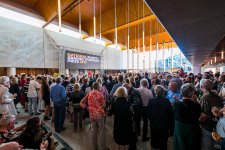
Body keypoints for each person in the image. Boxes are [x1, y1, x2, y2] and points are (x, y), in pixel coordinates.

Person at [173, 83, 201, 150]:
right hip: (192, 129)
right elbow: (198, 116)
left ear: (181, 92)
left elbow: (175, 114)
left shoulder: (176, 104)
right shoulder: (197, 106)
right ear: (192, 93)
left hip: (180, 129)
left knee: (180, 145)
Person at [80, 82, 107, 150]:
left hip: (92, 114)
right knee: (101, 131)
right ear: (98, 87)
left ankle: (95, 147)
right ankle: (104, 147)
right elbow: (104, 105)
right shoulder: (100, 94)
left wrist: (87, 107)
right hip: (100, 114)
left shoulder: (89, 93)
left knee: (93, 131)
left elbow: (81, 102)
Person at [200, 79, 224, 150]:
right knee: (216, 145)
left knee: (207, 146)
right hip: (218, 125)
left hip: (208, 126)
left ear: (202, 87)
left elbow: (202, 113)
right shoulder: (217, 96)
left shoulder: (204, 98)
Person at [148, 85, 174, 150]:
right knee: (163, 141)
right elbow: (170, 115)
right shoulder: (167, 101)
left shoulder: (151, 101)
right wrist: (171, 128)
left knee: (154, 138)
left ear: (155, 92)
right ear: (163, 92)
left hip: (154, 123)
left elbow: (149, 113)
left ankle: (155, 146)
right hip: (164, 124)